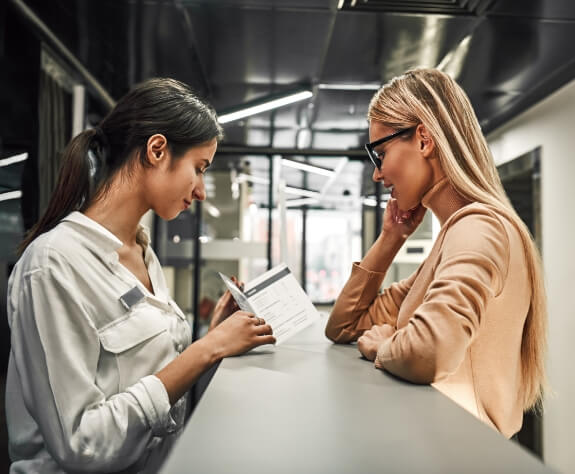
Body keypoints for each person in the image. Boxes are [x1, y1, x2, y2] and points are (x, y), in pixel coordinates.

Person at [6, 78, 275, 473]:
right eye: (198, 169)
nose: (201, 191)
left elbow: (152, 384)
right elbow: (81, 443)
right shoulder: (52, 266)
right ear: (157, 150)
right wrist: (207, 349)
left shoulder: (143, 252)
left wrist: (214, 339)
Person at [325, 68, 547, 439]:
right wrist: (391, 239)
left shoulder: (479, 227)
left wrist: (385, 345)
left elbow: (430, 351)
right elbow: (344, 326)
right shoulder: (453, 238)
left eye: (381, 154)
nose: (378, 175)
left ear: (424, 140)